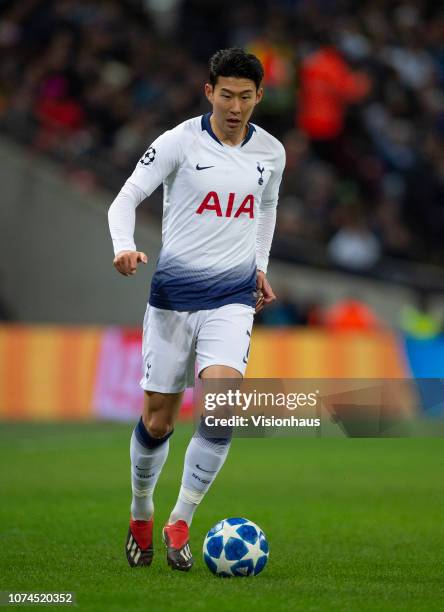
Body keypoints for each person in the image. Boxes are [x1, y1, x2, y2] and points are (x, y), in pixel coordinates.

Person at [108, 48, 285, 571]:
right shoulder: (178, 143)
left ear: (259, 97)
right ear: (209, 92)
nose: (235, 106)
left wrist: (258, 264)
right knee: (158, 421)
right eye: (226, 94)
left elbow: (267, 206)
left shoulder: (271, 152)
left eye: (245, 97)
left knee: (222, 405)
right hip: (172, 301)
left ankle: (180, 519)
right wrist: (123, 244)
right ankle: (142, 510)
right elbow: (125, 198)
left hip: (232, 298)